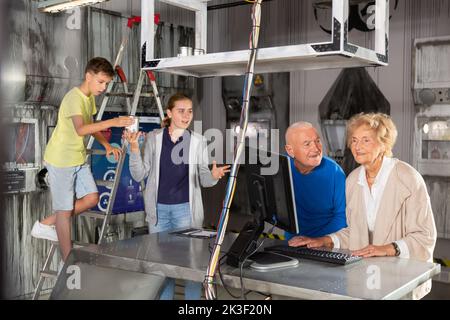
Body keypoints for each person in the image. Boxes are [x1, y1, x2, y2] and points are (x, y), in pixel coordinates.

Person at [124, 93, 230, 300]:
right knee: (162, 269)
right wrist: (134, 149)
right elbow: (139, 174)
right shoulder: (154, 139)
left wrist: (214, 175)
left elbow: (204, 179)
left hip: (186, 212)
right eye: (181, 111)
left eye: (189, 111)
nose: (186, 115)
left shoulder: (198, 141)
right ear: (169, 113)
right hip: (159, 213)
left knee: (191, 267)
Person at [31, 57, 134, 263]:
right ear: (88, 76)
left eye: (106, 83)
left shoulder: (89, 99)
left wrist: (106, 145)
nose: (104, 88)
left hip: (77, 158)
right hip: (61, 160)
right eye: (101, 82)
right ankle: (69, 263)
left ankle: (44, 225)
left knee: (92, 198)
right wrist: (114, 121)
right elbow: (81, 130)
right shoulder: (74, 98)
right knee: (64, 211)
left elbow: (90, 124)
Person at [284, 121, 347, 243]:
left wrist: (317, 240)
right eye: (307, 144)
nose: (316, 148)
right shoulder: (283, 168)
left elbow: (342, 217)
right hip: (293, 242)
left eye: (317, 141)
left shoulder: (335, 172)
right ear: (290, 150)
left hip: (326, 243)